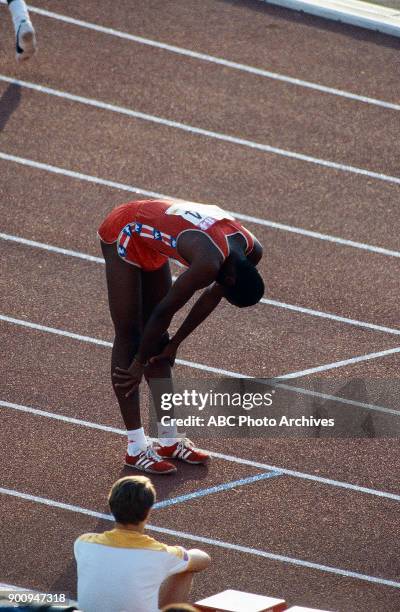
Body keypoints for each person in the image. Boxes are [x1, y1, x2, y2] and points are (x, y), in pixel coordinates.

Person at [98, 199, 264, 474]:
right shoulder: (208, 262)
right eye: (224, 286)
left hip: (152, 237)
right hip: (126, 228)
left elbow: (210, 298)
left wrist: (174, 344)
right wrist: (138, 363)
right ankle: (136, 448)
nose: (219, 286)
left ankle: (168, 439)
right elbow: (165, 310)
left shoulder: (251, 250)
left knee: (160, 341)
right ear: (231, 278)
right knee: (130, 335)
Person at [74, 476, 211, 612]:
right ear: (148, 512)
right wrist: (184, 558)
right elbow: (203, 559)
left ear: (111, 506)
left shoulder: (83, 543)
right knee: (185, 568)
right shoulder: (160, 553)